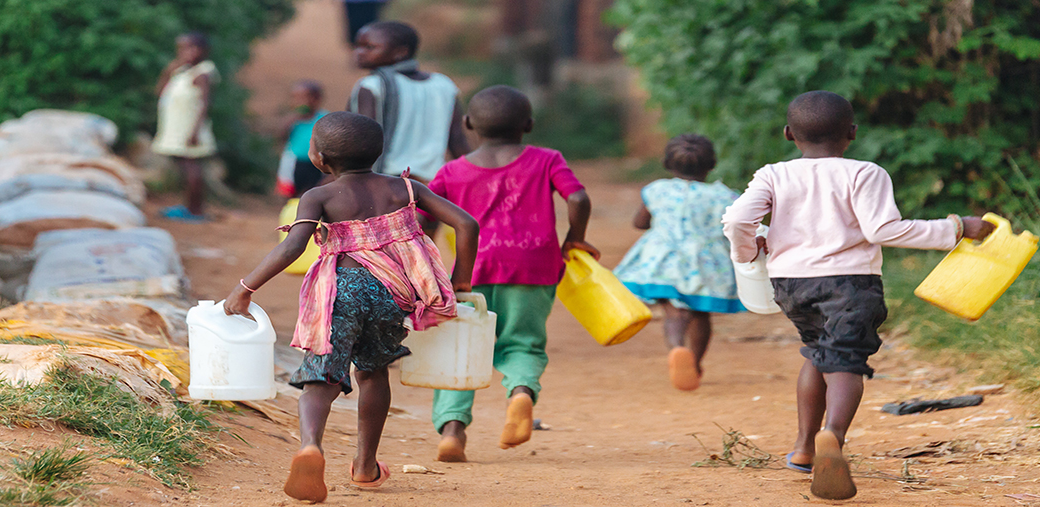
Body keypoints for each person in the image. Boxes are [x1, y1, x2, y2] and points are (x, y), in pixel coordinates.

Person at [721, 91, 995, 500]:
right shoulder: (865, 172)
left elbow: (738, 219)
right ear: (852, 133)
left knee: (817, 352)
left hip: (791, 285)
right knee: (846, 358)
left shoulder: (773, 174)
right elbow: (883, 230)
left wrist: (749, 253)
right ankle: (832, 436)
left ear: (788, 134)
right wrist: (956, 227)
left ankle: (802, 448)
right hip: (850, 284)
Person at [223, 112, 479, 503]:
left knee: (320, 375)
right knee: (374, 374)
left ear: (320, 158)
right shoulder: (406, 188)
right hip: (393, 292)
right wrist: (461, 278)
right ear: (378, 153)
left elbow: (293, 247)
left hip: (340, 290)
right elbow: (467, 224)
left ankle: (311, 445)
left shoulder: (318, 196)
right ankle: (365, 466)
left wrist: (245, 288)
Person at [424, 85, 597, 462]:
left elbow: (425, 217)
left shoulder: (452, 171)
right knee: (523, 343)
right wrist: (574, 240)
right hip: (534, 268)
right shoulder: (547, 159)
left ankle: (452, 430)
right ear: (529, 125)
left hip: (470, 270)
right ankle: (520, 393)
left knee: (460, 352)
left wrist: (423, 262)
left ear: (468, 124)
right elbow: (578, 198)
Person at [613, 134, 743, 392]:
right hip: (706, 264)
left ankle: (677, 348)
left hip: (663, 261)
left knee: (674, 310)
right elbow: (737, 227)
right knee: (700, 313)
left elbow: (640, 222)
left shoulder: (658, 190)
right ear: (712, 164)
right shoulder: (723, 196)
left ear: (667, 163)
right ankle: (693, 361)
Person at [350, 21, 470, 181]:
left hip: (387, 181)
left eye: (369, 47)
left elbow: (361, 139)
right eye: (358, 46)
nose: (359, 52)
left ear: (401, 52)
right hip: (431, 183)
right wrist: (472, 175)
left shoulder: (372, 86)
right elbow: (457, 139)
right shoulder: (444, 84)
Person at [154, 32, 218, 221]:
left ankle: (195, 211)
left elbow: (205, 104)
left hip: (190, 130)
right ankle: (188, 207)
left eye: (191, 48)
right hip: (178, 128)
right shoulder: (182, 71)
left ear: (203, 50)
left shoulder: (202, 74)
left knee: (192, 168)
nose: (186, 52)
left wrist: (194, 131)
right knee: (185, 168)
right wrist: (169, 70)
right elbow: (160, 92)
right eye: (181, 49)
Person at [277, 80, 329, 198]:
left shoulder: (324, 119)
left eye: (303, 98)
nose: (298, 102)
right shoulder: (292, 120)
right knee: (289, 193)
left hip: (316, 163)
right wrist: (290, 122)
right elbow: (281, 137)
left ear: (316, 99)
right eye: (295, 98)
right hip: (293, 161)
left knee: (312, 192)